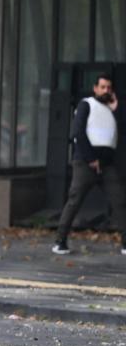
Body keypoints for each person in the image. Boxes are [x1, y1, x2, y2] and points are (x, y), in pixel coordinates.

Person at [53, 73, 126, 255]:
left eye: (109, 88)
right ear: (95, 88)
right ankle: (60, 241)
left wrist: (116, 109)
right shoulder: (86, 104)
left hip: (107, 164)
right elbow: (78, 132)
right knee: (74, 201)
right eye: (102, 87)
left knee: (120, 200)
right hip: (86, 162)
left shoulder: (113, 108)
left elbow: (121, 131)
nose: (105, 90)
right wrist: (91, 158)